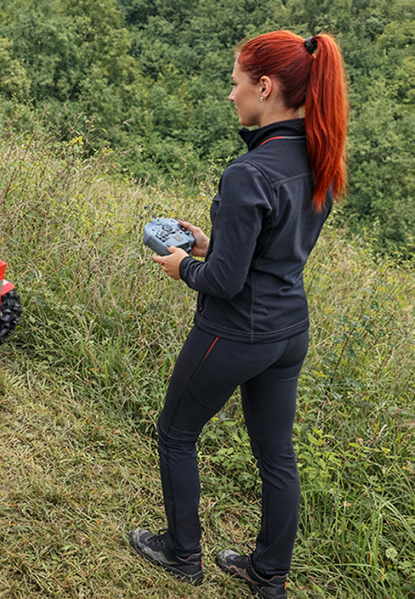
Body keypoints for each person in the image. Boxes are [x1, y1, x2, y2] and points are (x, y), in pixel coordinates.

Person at [128, 31, 349, 599]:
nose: (232, 95)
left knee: (175, 432)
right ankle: (268, 575)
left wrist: (183, 264)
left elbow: (224, 283)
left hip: (235, 331)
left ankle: (182, 553)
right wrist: (215, 243)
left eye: (236, 83)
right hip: (288, 330)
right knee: (277, 456)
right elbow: (273, 248)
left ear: (265, 87)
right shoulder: (319, 156)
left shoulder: (248, 172)